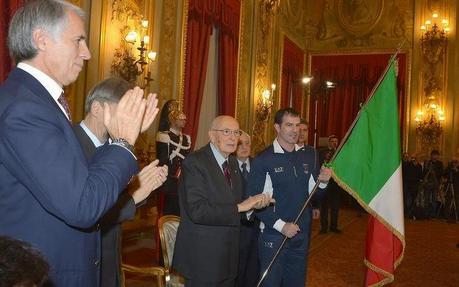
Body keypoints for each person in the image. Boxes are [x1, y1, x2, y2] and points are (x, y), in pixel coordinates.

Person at [0, 1, 158, 286]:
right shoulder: (25, 107)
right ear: (41, 39)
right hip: (42, 275)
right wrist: (121, 142)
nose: (86, 53)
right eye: (78, 40)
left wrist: (123, 139)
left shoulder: (38, 101)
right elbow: (83, 205)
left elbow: (79, 184)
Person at [73, 77, 168, 287]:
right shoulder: (70, 143)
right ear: (97, 108)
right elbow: (86, 211)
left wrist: (136, 191)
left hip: (109, 262)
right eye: (125, 110)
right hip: (80, 264)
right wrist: (133, 198)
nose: (131, 118)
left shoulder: (114, 148)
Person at [173, 115, 274, 287]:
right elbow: (198, 211)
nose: (233, 137)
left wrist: (253, 206)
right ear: (212, 136)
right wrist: (241, 207)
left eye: (236, 132)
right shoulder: (195, 162)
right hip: (203, 260)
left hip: (228, 259)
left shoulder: (232, 163)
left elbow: (240, 205)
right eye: (226, 132)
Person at [247, 108, 331, 287]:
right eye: (289, 125)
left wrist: (322, 183)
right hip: (273, 235)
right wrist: (281, 226)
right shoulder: (263, 159)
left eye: (298, 125)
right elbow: (253, 201)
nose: (295, 130)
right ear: (277, 127)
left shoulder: (309, 155)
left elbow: (314, 197)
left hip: (301, 235)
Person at [156, 109, 191, 216]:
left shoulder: (186, 138)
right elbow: (163, 160)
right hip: (169, 180)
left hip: (182, 180)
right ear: (173, 120)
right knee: (168, 213)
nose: (184, 121)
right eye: (181, 119)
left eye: (185, 119)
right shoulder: (164, 136)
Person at [236, 131, 260, 287]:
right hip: (237, 228)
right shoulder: (227, 167)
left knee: (254, 269)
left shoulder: (259, 165)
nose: (244, 147)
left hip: (258, 226)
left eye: (247, 143)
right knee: (238, 270)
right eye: (240, 144)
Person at [319, 135, 342, 234]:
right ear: (329, 142)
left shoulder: (341, 152)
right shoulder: (323, 152)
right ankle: (324, 227)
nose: (334, 143)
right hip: (325, 182)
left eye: (336, 141)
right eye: (332, 141)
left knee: (335, 206)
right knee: (324, 206)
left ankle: (334, 226)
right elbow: (320, 163)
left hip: (336, 184)